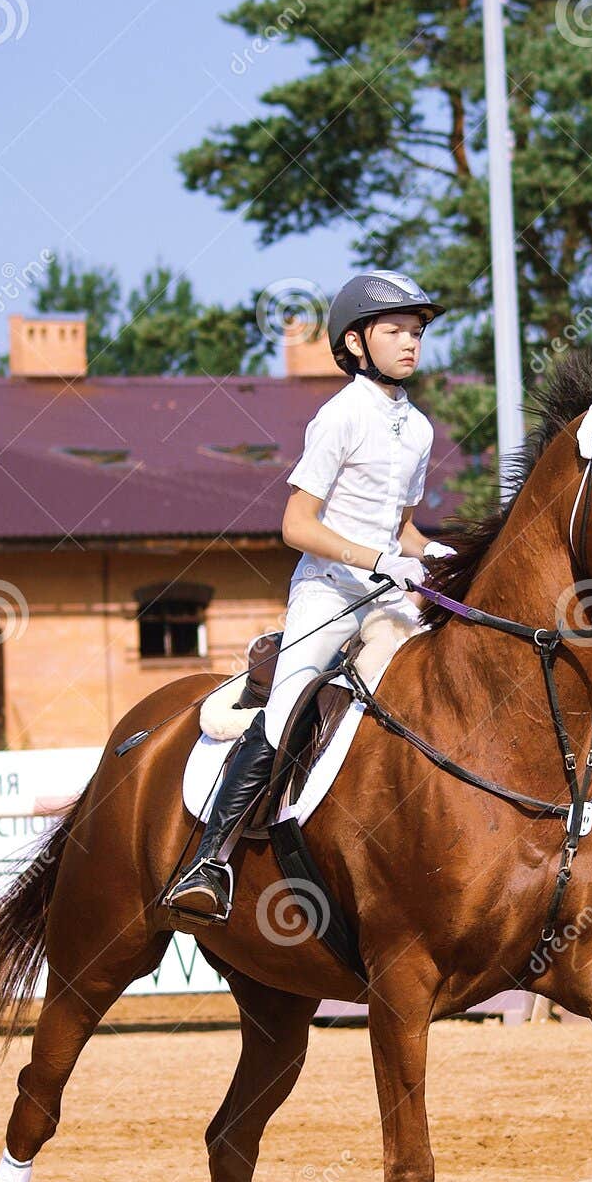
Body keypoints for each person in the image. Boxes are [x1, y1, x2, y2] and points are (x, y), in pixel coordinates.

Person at [164, 271, 452, 921]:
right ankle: (209, 860)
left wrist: (430, 552)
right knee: (286, 708)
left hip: (386, 599)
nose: (411, 344)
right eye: (396, 332)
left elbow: (403, 528)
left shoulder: (421, 430)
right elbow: (297, 524)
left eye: (417, 332)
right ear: (355, 341)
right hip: (326, 593)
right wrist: (378, 557)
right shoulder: (341, 417)